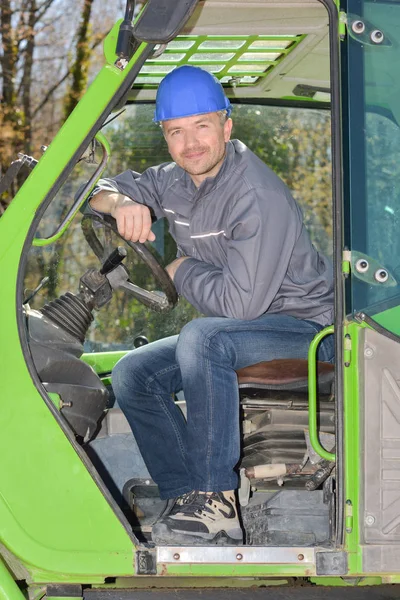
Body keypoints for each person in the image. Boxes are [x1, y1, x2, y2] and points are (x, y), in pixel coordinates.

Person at [88, 65, 334, 546]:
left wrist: (180, 271)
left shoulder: (256, 196)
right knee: (133, 373)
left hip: (308, 332)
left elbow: (240, 306)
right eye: (175, 131)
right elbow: (95, 195)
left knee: (203, 339)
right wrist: (119, 205)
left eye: (201, 125)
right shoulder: (174, 182)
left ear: (227, 126)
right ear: (165, 138)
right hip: (242, 330)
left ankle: (216, 500)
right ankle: (186, 499)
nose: (190, 143)